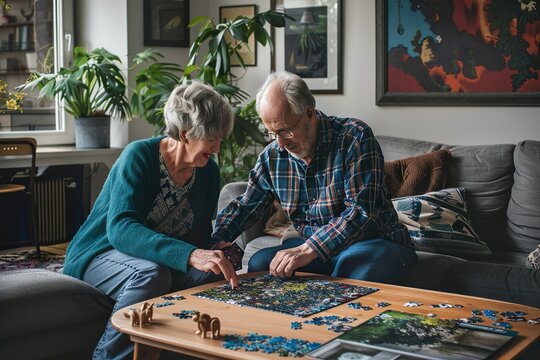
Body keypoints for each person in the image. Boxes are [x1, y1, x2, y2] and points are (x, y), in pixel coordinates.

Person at [63, 81, 239, 360]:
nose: (217, 147)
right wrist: (191, 254)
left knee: (213, 271)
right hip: (100, 253)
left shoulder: (208, 173)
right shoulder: (140, 156)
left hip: (153, 260)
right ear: (185, 133)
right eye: (212, 138)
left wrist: (214, 247)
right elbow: (120, 229)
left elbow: (197, 235)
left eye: (220, 138)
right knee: (151, 274)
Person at [212, 71, 417, 283]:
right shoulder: (272, 156)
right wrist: (216, 242)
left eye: (285, 131)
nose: (280, 143)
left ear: (310, 114)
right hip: (313, 246)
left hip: (373, 242)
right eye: (271, 133)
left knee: (353, 273)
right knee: (260, 264)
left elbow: (361, 212)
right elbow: (247, 206)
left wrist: (309, 249)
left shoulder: (355, 137)